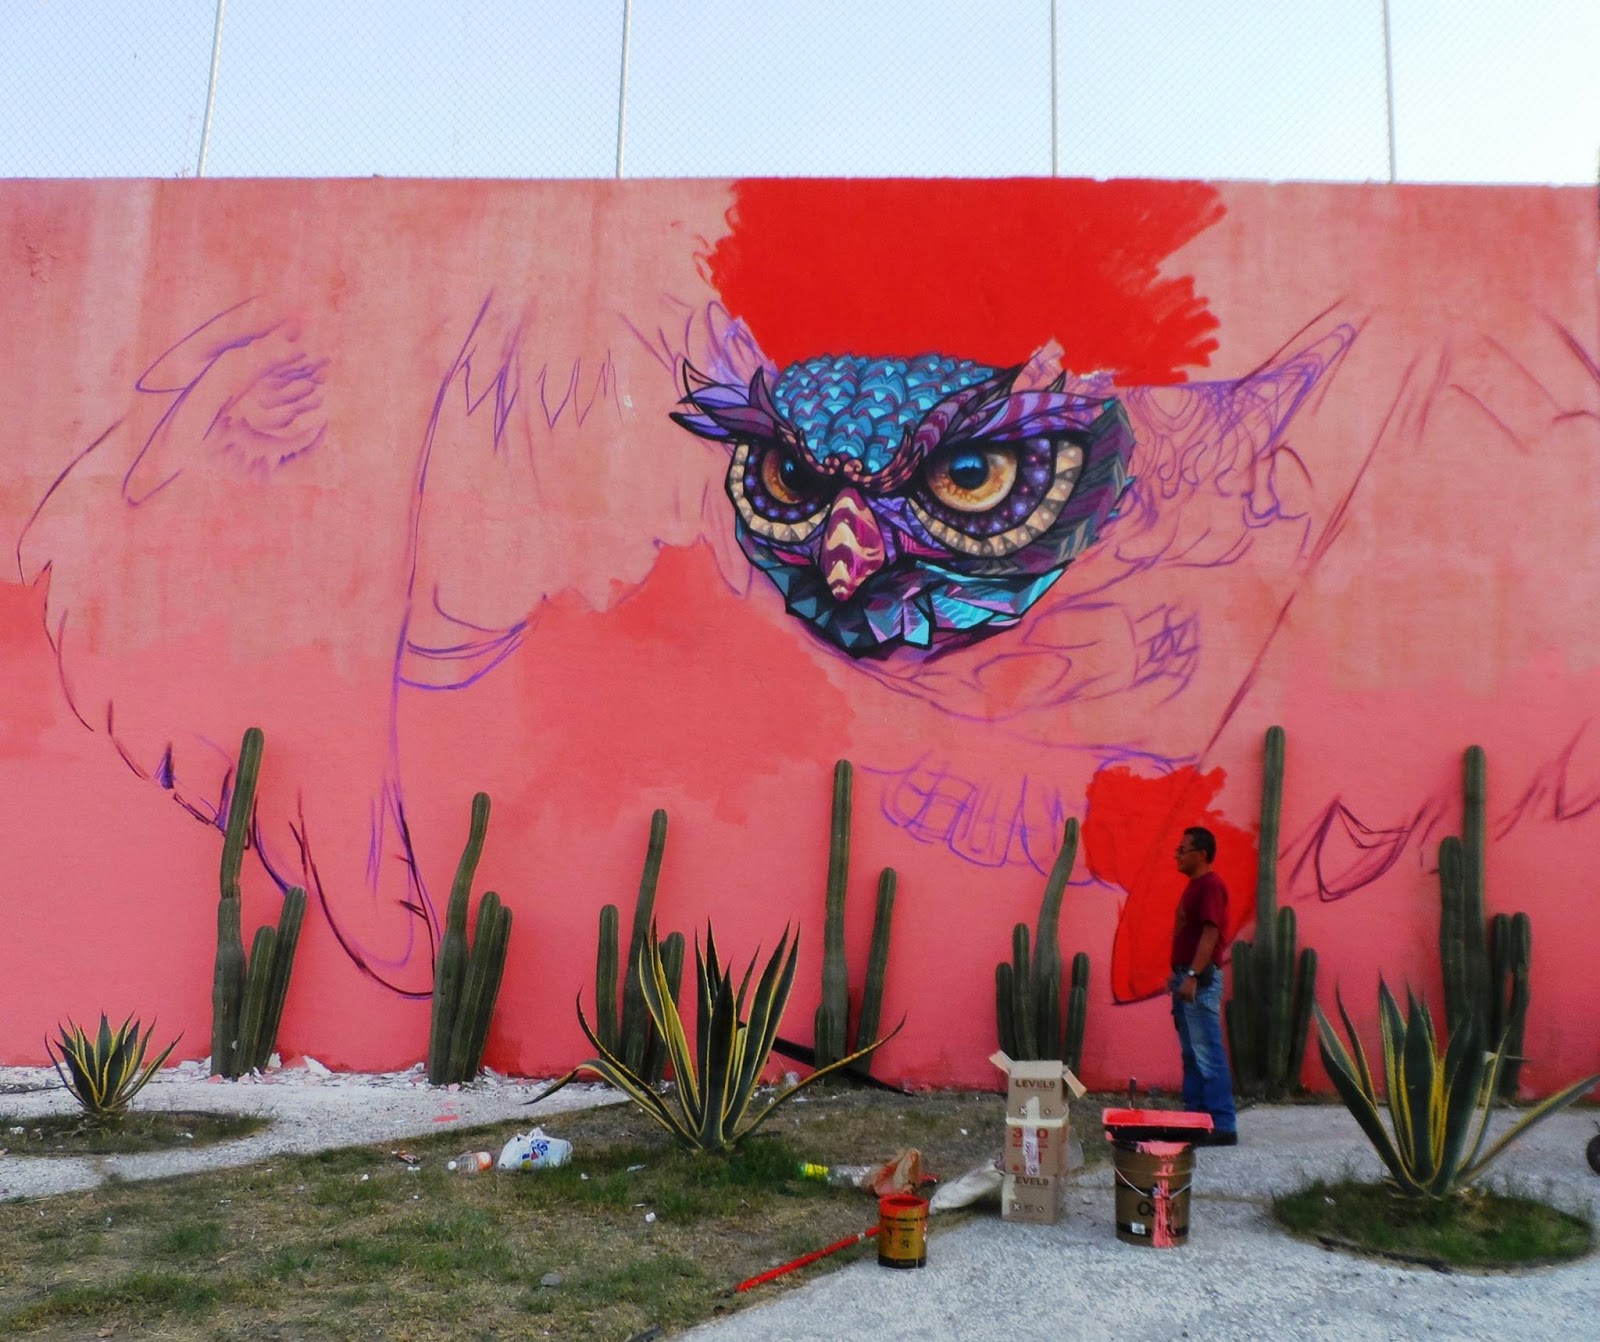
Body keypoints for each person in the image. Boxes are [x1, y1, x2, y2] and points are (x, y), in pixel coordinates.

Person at [1170, 826, 1238, 1146]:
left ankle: (1222, 1123)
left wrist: (1192, 976)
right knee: (1192, 1054)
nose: (1177, 855)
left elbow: (1211, 933)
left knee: (1207, 1052)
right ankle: (1195, 1118)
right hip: (1186, 976)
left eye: (1182, 849)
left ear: (1201, 854)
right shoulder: (1195, 886)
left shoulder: (1210, 886)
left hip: (1198, 980)